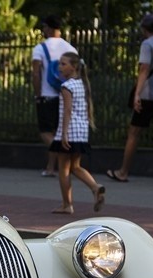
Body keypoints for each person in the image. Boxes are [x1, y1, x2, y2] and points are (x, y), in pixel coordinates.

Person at [107, 14, 153, 185]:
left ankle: (123, 172)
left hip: (147, 95)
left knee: (134, 133)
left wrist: (137, 94)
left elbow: (144, 69)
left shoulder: (147, 44)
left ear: (144, 29)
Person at [49, 52, 105, 215]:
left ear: (73, 67)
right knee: (76, 166)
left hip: (69, 131)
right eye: (60, 63)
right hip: (81, 132)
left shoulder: (67, 86)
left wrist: (64, 133)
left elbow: (67, 110)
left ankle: (67, 204)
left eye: (63, 64)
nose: (60, 67)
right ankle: (95, 187)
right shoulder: (82, 84)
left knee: (63, 169)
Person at [32, 15, 77, 177]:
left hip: (47, 96)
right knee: (59, 132)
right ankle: (51, 168)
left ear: (49, 28)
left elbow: (36, 74)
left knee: (45, 132)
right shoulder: (70, 48)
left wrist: (37, 95)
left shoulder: (40, 48)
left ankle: (63, 157)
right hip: (65, 95)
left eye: (44, 27)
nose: (43, 30)